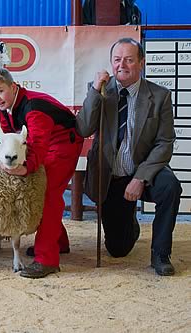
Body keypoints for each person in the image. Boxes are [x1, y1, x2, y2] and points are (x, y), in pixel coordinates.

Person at [76, 38, 182, 276]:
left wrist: (141, 178)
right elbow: (83, 129)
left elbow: (165, 142)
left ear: (141, 63)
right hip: (112, 176)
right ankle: (129, 223)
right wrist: (95, 91)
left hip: (144, 170)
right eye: (117, 59)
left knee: (170, 187)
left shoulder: (160, 95)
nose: (121, 64)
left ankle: (161, 254)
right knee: (118, 249)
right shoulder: (100, 91)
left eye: (129, 59)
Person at [0, 68, 84, 279]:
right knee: (42, 192)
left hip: (62, 144)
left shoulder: (33, 108)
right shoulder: (8, 106)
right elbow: (4, 131)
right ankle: (60, 242)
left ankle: (46, 259)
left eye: (0, 91)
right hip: (47, 143)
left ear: (13, 87)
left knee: (48, 194)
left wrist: (26, 168)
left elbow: (38, 144)